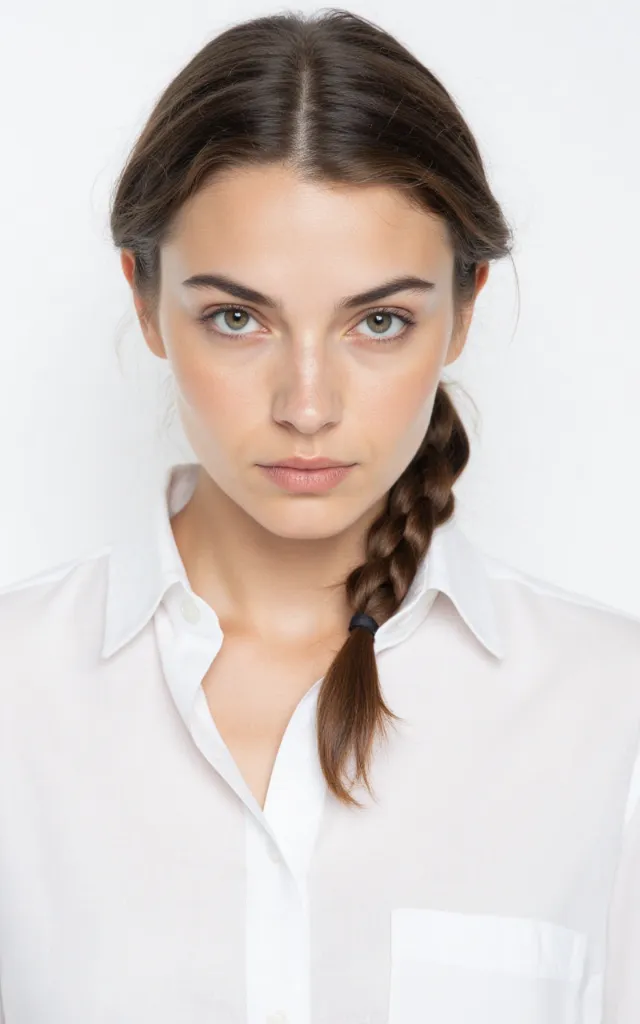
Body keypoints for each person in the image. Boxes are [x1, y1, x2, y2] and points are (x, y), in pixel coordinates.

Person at [0, 8, 638, 1024]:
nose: (306, 404)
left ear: (464, 308)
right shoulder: (14, 700)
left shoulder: (613, 712)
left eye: (378, 320)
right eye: (236, 318)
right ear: (142, 299)